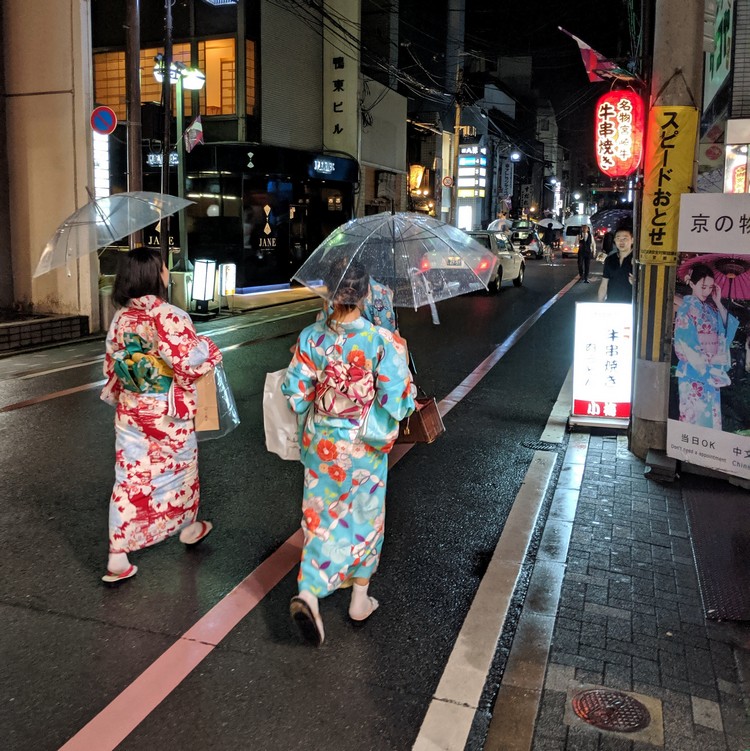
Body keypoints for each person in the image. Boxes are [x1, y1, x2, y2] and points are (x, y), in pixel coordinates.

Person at [281, 260, 415, 646]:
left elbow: (295, 394)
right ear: (366, 293)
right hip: (364, 448)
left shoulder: (311, 337)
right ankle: (358, 598)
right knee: (366, 517)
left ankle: (311, 589)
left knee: (321, 515)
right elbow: (398, 401)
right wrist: (400, 362)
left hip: (322, 444)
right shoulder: (380, 341)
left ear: (329, 293)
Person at [100, 248, 222, 583]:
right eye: (164, 268)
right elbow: (187, 363)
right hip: (167, 411)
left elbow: (112, 362)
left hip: (131, 408)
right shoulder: (169, 315)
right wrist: (210, 352)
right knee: (180, 470)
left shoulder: (122, 317)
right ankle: (188, 526)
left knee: (131, 477)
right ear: (155, 276)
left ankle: (118, 556)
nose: (168, 272)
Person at [673, 263, 739, 429]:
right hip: (694, 372)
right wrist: (710, 361)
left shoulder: (710, 309)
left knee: (711, 417)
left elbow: (724, 332)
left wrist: (718, 303)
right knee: (695, 416)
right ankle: (691, 452)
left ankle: (706, 451)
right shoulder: (686, 309)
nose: (707, 291)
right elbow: (686, 342)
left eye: (710, 287)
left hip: (711, 372)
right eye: (703, 286)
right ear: (692, 283)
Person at [598, 226, 634, 303]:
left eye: (625, 238)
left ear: (632, 240)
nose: (621, 242)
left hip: (632, 306)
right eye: (618, 238)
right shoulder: (610, 259)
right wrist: (600, 302)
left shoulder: (638, 261)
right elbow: (604, 284)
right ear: (614, 240)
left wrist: (637, 283)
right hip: (612, 304)